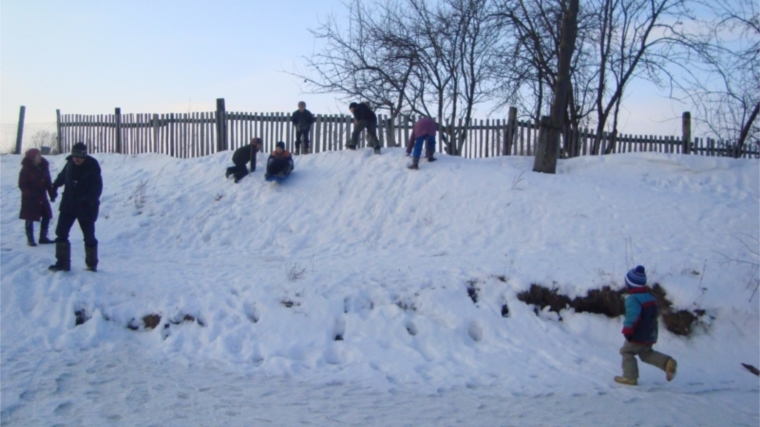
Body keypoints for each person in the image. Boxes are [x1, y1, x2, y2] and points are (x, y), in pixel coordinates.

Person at [614, 266, 678, 386]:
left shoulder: (632, 299)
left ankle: (630, 377)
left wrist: (628, 330)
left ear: (630, 285)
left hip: (638, 334)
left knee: (627, 351)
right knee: (645, 353)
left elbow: (633, 315)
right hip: (650, 334)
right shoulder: (650, 298)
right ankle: (667, 363)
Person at [48, 142, 103, 272]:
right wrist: (55, 186)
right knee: (61, 233)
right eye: (74, 155)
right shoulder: (70, 164)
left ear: (84, 155)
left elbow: (97, 189)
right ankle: (62, 263)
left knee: (89, 236)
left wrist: (88, 200)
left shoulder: (92, 167)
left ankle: (92, 264)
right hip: (69, 204)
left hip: (86, 207)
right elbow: (62, 176)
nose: (76, 159)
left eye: (79, 156)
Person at [18, 148, 57, 246]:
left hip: (42, 196)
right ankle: (30, 239)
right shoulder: (26, 169)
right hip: (30, 198)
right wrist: (29, 195)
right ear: (32, 157)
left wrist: (51, 193)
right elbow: (22, 184)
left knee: (47, 215)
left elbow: (48, 181)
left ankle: (43, 237)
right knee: (30, 217)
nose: (40, 157)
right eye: (38, 155)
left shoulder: (44, 167)